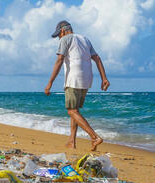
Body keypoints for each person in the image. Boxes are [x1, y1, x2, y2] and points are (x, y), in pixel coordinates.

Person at [44, 20, 110, 151]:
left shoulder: (65, 39)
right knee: (75, 111)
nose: (59, 38)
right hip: (86, 79)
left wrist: (50, 82)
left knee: (71, 111)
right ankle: (72, 142)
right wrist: (104, 78)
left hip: (73, 78)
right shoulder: (85, 39)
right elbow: (97, 58)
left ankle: (94, 137)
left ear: (62, 31)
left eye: (58, 35)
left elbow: (59, 60)